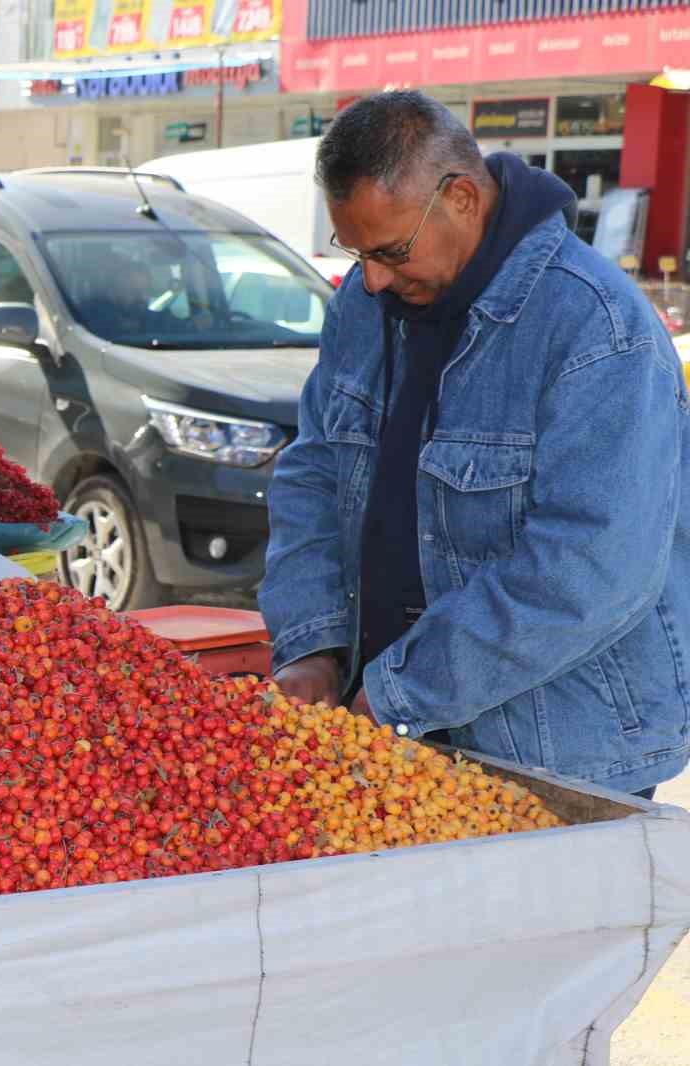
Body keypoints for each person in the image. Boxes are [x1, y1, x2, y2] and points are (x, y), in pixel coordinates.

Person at [260, 90, 690, 801]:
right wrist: (314, 646)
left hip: (559, 761)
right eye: (357, 252)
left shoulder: (596, 328)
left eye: (391, 251)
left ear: (460, 196)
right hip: (389, 729)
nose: (371, 279)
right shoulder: (365, 303)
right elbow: (314, 472)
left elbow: (590, 569)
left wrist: (401, 691)